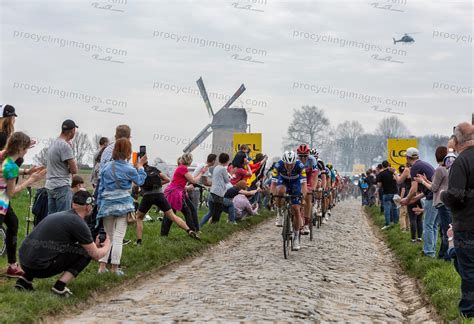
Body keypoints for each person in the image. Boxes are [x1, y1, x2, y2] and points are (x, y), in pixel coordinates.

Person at [15, 191, 111, 296]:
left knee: (47, 249)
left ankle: (24, 280)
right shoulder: (78, 223)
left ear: (72, 203)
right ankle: (59, 287)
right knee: (85, 253)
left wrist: (94, 246)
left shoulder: (58, 215)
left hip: (24, 260)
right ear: (88, 207)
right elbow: (95, 255)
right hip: (40, 267)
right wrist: (108, 245)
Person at [97, 139, 147, 275]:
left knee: (108, 236)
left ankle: (102, 267)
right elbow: (140, 181)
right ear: (128, 152)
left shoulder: (106, 167)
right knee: (118, 237)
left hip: (107, 205)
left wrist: (99, 204)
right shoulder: (129, 168)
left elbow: (101, 188)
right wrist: (141, 167)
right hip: (123, 205)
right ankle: (114, 269)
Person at [0, 132, 46, 277]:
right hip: (2, 203)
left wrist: (26, 170)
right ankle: (12, 266)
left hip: (4, 203)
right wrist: (30, 179)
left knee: (13, 223)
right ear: (20, 149)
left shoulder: (3, 156)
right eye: (25, 148)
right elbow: (12, 192)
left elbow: (7, 170)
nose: (26, 151)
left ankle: (12, 266)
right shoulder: (11, 166)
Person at [441, 122, 474, 317]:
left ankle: (469, 312)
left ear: (456, 139)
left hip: (467, 223)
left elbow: (454, 196)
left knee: (468, 268)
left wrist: (444, 195)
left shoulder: (462, 162)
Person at [135, 162, 199, 245]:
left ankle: (139, 242)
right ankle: (189, 230)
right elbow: (167, 180)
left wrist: (145, 188)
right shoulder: (154, 169)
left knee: (139, 217)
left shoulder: (139, 171)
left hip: (148, 196)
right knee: (173, 216)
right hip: (159, 195)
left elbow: (137, 184)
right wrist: (157, 184)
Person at [414, 146, 451, 260]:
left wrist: (422, 182)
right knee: (438, 228)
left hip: (440, 201)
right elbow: (440, 185)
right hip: (446, 201)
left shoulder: (440, 169)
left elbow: (434, 188)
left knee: (439, 229)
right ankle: (439, 253)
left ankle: (438, 255)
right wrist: (426, 180)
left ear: (437, 156)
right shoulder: (449, 168)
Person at [401, 147, 437, 257]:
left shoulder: (414, 167)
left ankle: (428, 252)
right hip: (437, 196)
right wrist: (415, 199)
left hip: (432, 198)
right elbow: (426, 189)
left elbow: (414, 189)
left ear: (407, 158)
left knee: (428, 226)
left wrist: (407, 200)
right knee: (433, 226)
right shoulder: (424, 164)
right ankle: (432, 248)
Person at [162, 153, 208, 235]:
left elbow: (178, 182)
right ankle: (192, 231)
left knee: (183, 211)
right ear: (190, 161)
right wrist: (202, 172)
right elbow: (193, 181)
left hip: (177, 192)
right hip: (175, 194)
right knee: (177, 213)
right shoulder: (183, 168)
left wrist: (186, 188)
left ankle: (193, 230)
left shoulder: (181, 168)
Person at [271, 151, 307, 251]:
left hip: (296, 183)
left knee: (296, 209)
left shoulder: (300, 166)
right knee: (280, 191)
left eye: (292, 165)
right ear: (284, 162)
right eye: (287, 164)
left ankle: (296, 237)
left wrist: (302, 198)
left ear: (295, 162)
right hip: (283, 181)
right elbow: (273, 184)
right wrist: (273, 196)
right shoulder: (278, 165)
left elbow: (304, 185)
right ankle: (280, 213)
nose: (290, 167)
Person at [45, 119, 79, 214]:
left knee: (52, 219)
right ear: (72, 131)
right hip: (61, 186)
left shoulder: (53, 143)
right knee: (63, 218)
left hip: (50, 185)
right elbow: (74, 170)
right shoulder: (65, 146)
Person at [297, 144, 317, 235]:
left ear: (308, 154)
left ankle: (306, 224)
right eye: (301, 156)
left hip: (308, 177)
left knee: (308, 197)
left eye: (305, 156)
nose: (303, 158)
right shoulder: (295, 160)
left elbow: (314, 176)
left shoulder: (312, 160)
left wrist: (313, 188)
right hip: (297, 177)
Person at [208, 153, 231, 224]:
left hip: (214, 190)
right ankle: (214, 223)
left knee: (217, 209)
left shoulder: (216, 167)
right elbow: (227, 180)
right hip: (218, 192)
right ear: (226, 161)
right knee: (218, 209)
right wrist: (230, 176)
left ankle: (212, 223)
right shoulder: (223, 169)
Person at [376, 161, 399, 230]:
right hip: (395, 192)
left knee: (387, 209)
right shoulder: (393, 172)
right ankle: (396, 223)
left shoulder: (381, 174)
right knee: (395, 208)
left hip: (386, 193)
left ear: (382, 166)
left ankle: (387, 224)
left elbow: (379, 185)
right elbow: (398, 180)